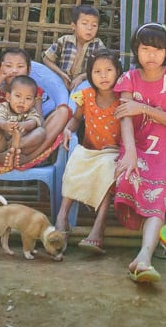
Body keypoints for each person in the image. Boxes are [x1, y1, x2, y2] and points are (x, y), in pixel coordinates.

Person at [113, 23, 166, 283]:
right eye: (146, 49)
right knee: (128, 177)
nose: (152, 55)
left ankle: (144, 256)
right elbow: (124, 118)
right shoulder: (129, 79)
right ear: (137, 50)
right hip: (137, 145)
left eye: (158, 49)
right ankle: (144, 256)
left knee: (158, 193)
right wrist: (130, 152)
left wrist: (143, 108)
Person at [54, 49, 124, 253]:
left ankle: (98, 226)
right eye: (97, 71)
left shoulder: (123, 98)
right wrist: (68, 129)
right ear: (90, 75)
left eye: (109, 70)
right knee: (74, 164)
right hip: (89, 150)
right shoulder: (86, 96)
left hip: (112, 152)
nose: (103, 76)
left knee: (107, 170)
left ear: (118, 72)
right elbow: (76, 119)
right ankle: (62, 218)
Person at [0, 75, 43, 165]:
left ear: (33, 102)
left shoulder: (31, 111)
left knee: (41, 131)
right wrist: (4, 125)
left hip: (21, 146)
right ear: (8, 97)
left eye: (28, 98)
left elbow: (34, 122)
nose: (22, 101)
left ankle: (17, 143)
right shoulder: (3, 107)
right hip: (1, 143)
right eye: (18, 96)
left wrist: (24, 125)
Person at [42, 4, 106, 91]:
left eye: (94, 25)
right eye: (84, 24)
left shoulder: (98, 45)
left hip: (84, 84)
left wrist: (82, 77)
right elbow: (46, 59)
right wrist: (61, 74)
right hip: (62, 81)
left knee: (78, 96)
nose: (89, 28)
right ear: (73, 26)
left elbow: (103, 67)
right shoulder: (64, 40)